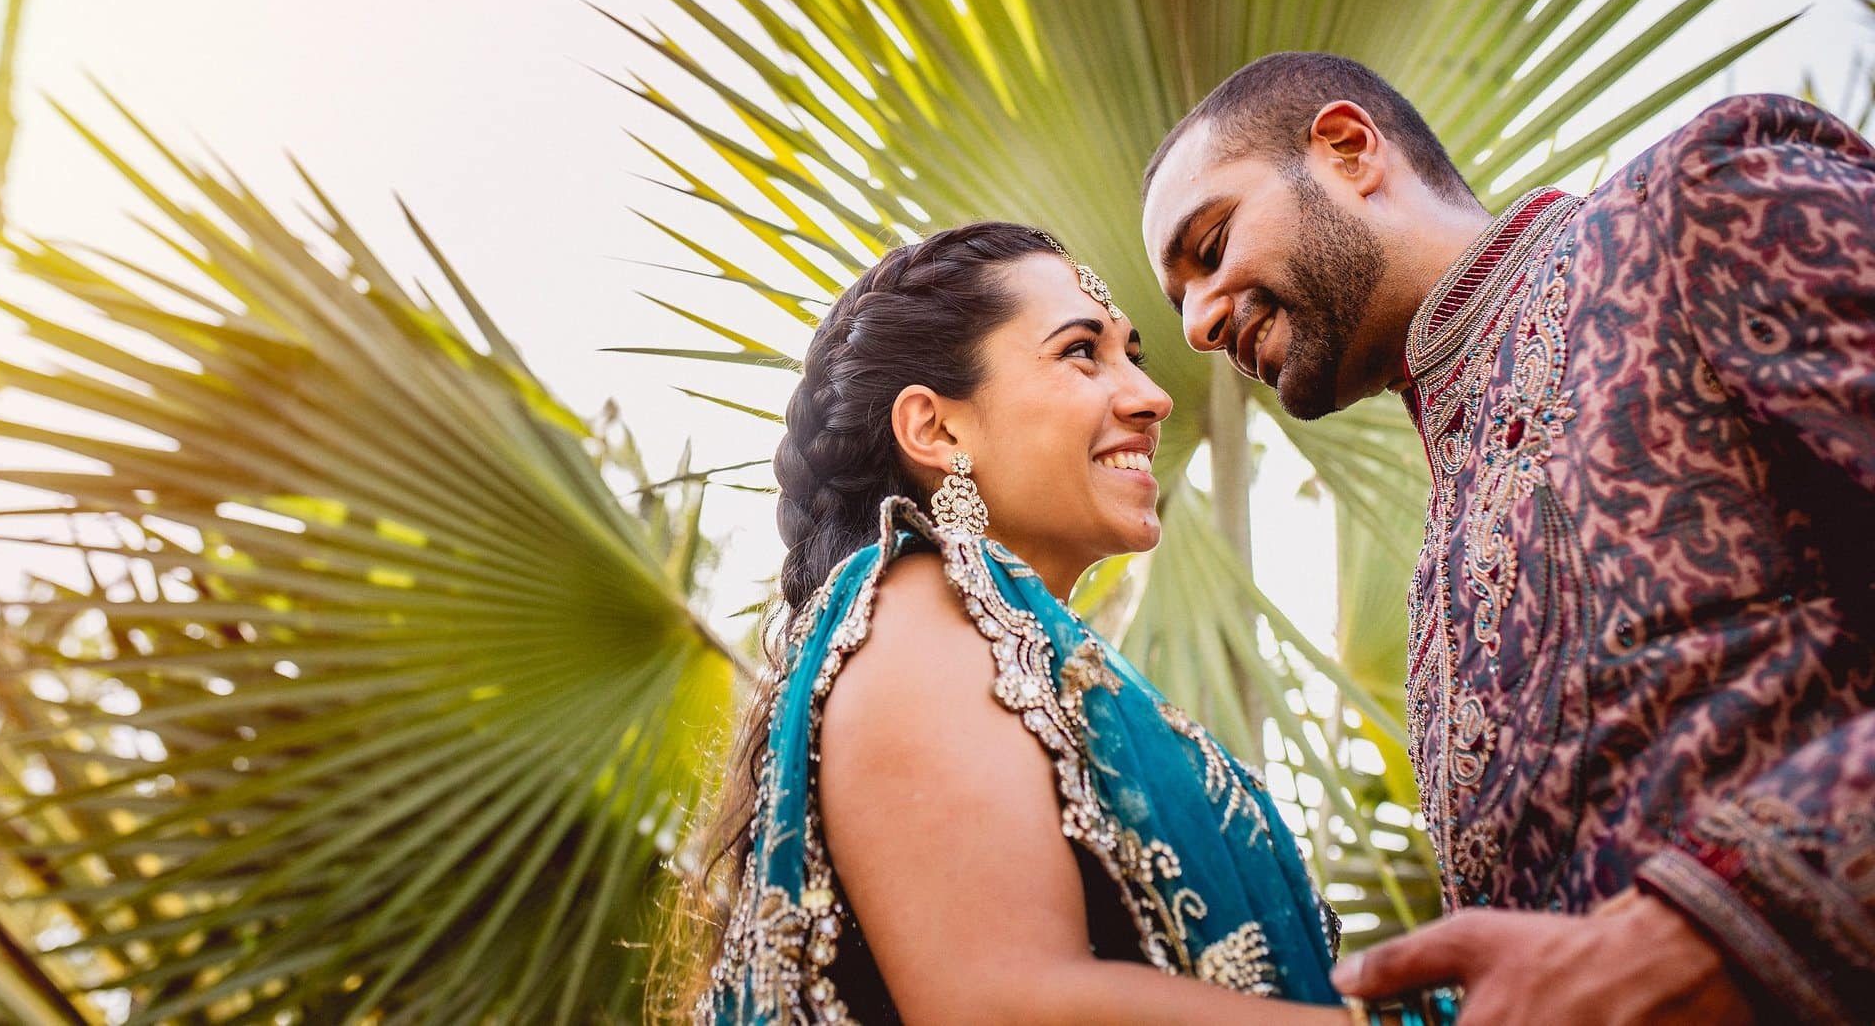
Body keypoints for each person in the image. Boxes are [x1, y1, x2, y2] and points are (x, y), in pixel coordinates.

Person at [1139, 51, 1875, 1024]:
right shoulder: (1432, 584)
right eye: (1176, 296)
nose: (1194, 323)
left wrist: (1711, 926)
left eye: (1210, 242)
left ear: (1348, 149)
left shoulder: (1685, 205)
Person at [668, 222, 1363, 1023]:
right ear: (935, 428)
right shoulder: (910, 609)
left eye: (1131, 355)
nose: (1152, 396)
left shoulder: (1011, 653)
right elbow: (1007, 1004)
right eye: (1080, 351)